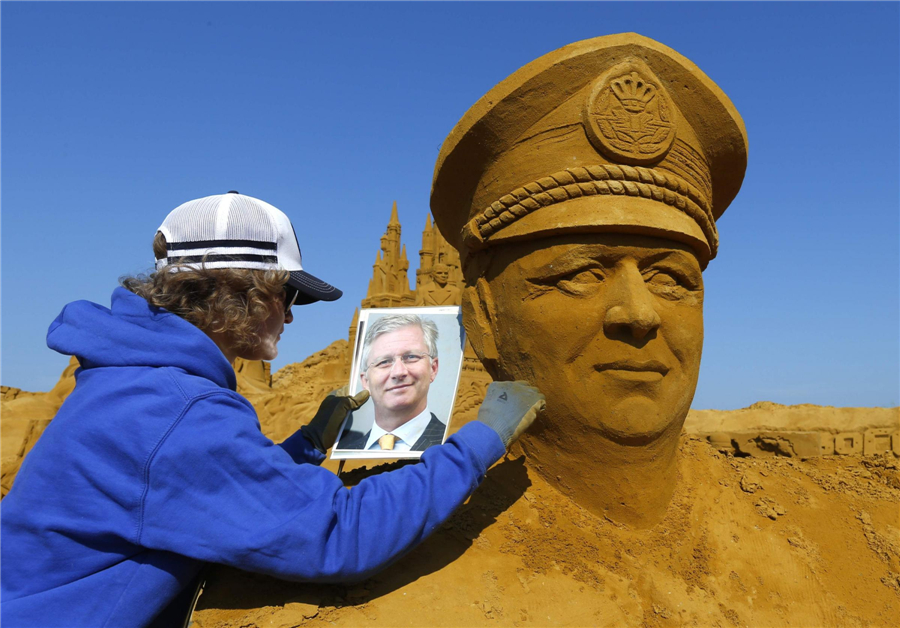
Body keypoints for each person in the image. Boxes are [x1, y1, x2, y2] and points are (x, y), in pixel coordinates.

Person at [0, 191, 545, 628]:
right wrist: (481, 439)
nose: (290, 316)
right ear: (246, 291)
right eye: (288, 295)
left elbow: (194, 492)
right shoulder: (174, 410)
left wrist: (307, 445)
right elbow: (338, 536)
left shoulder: (141, 383)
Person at [430, 33, 747, 528]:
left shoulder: (826, 539)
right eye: (580, 274)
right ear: (484, 316)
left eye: (669, 278)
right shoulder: (401, 579)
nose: (640, 314)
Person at [337, 314, 446, 452]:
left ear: (433, 369)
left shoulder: (451, 446)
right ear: (366, 381)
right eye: (384, 362)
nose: (398, 372)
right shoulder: (348, 449)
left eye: (411, 357)